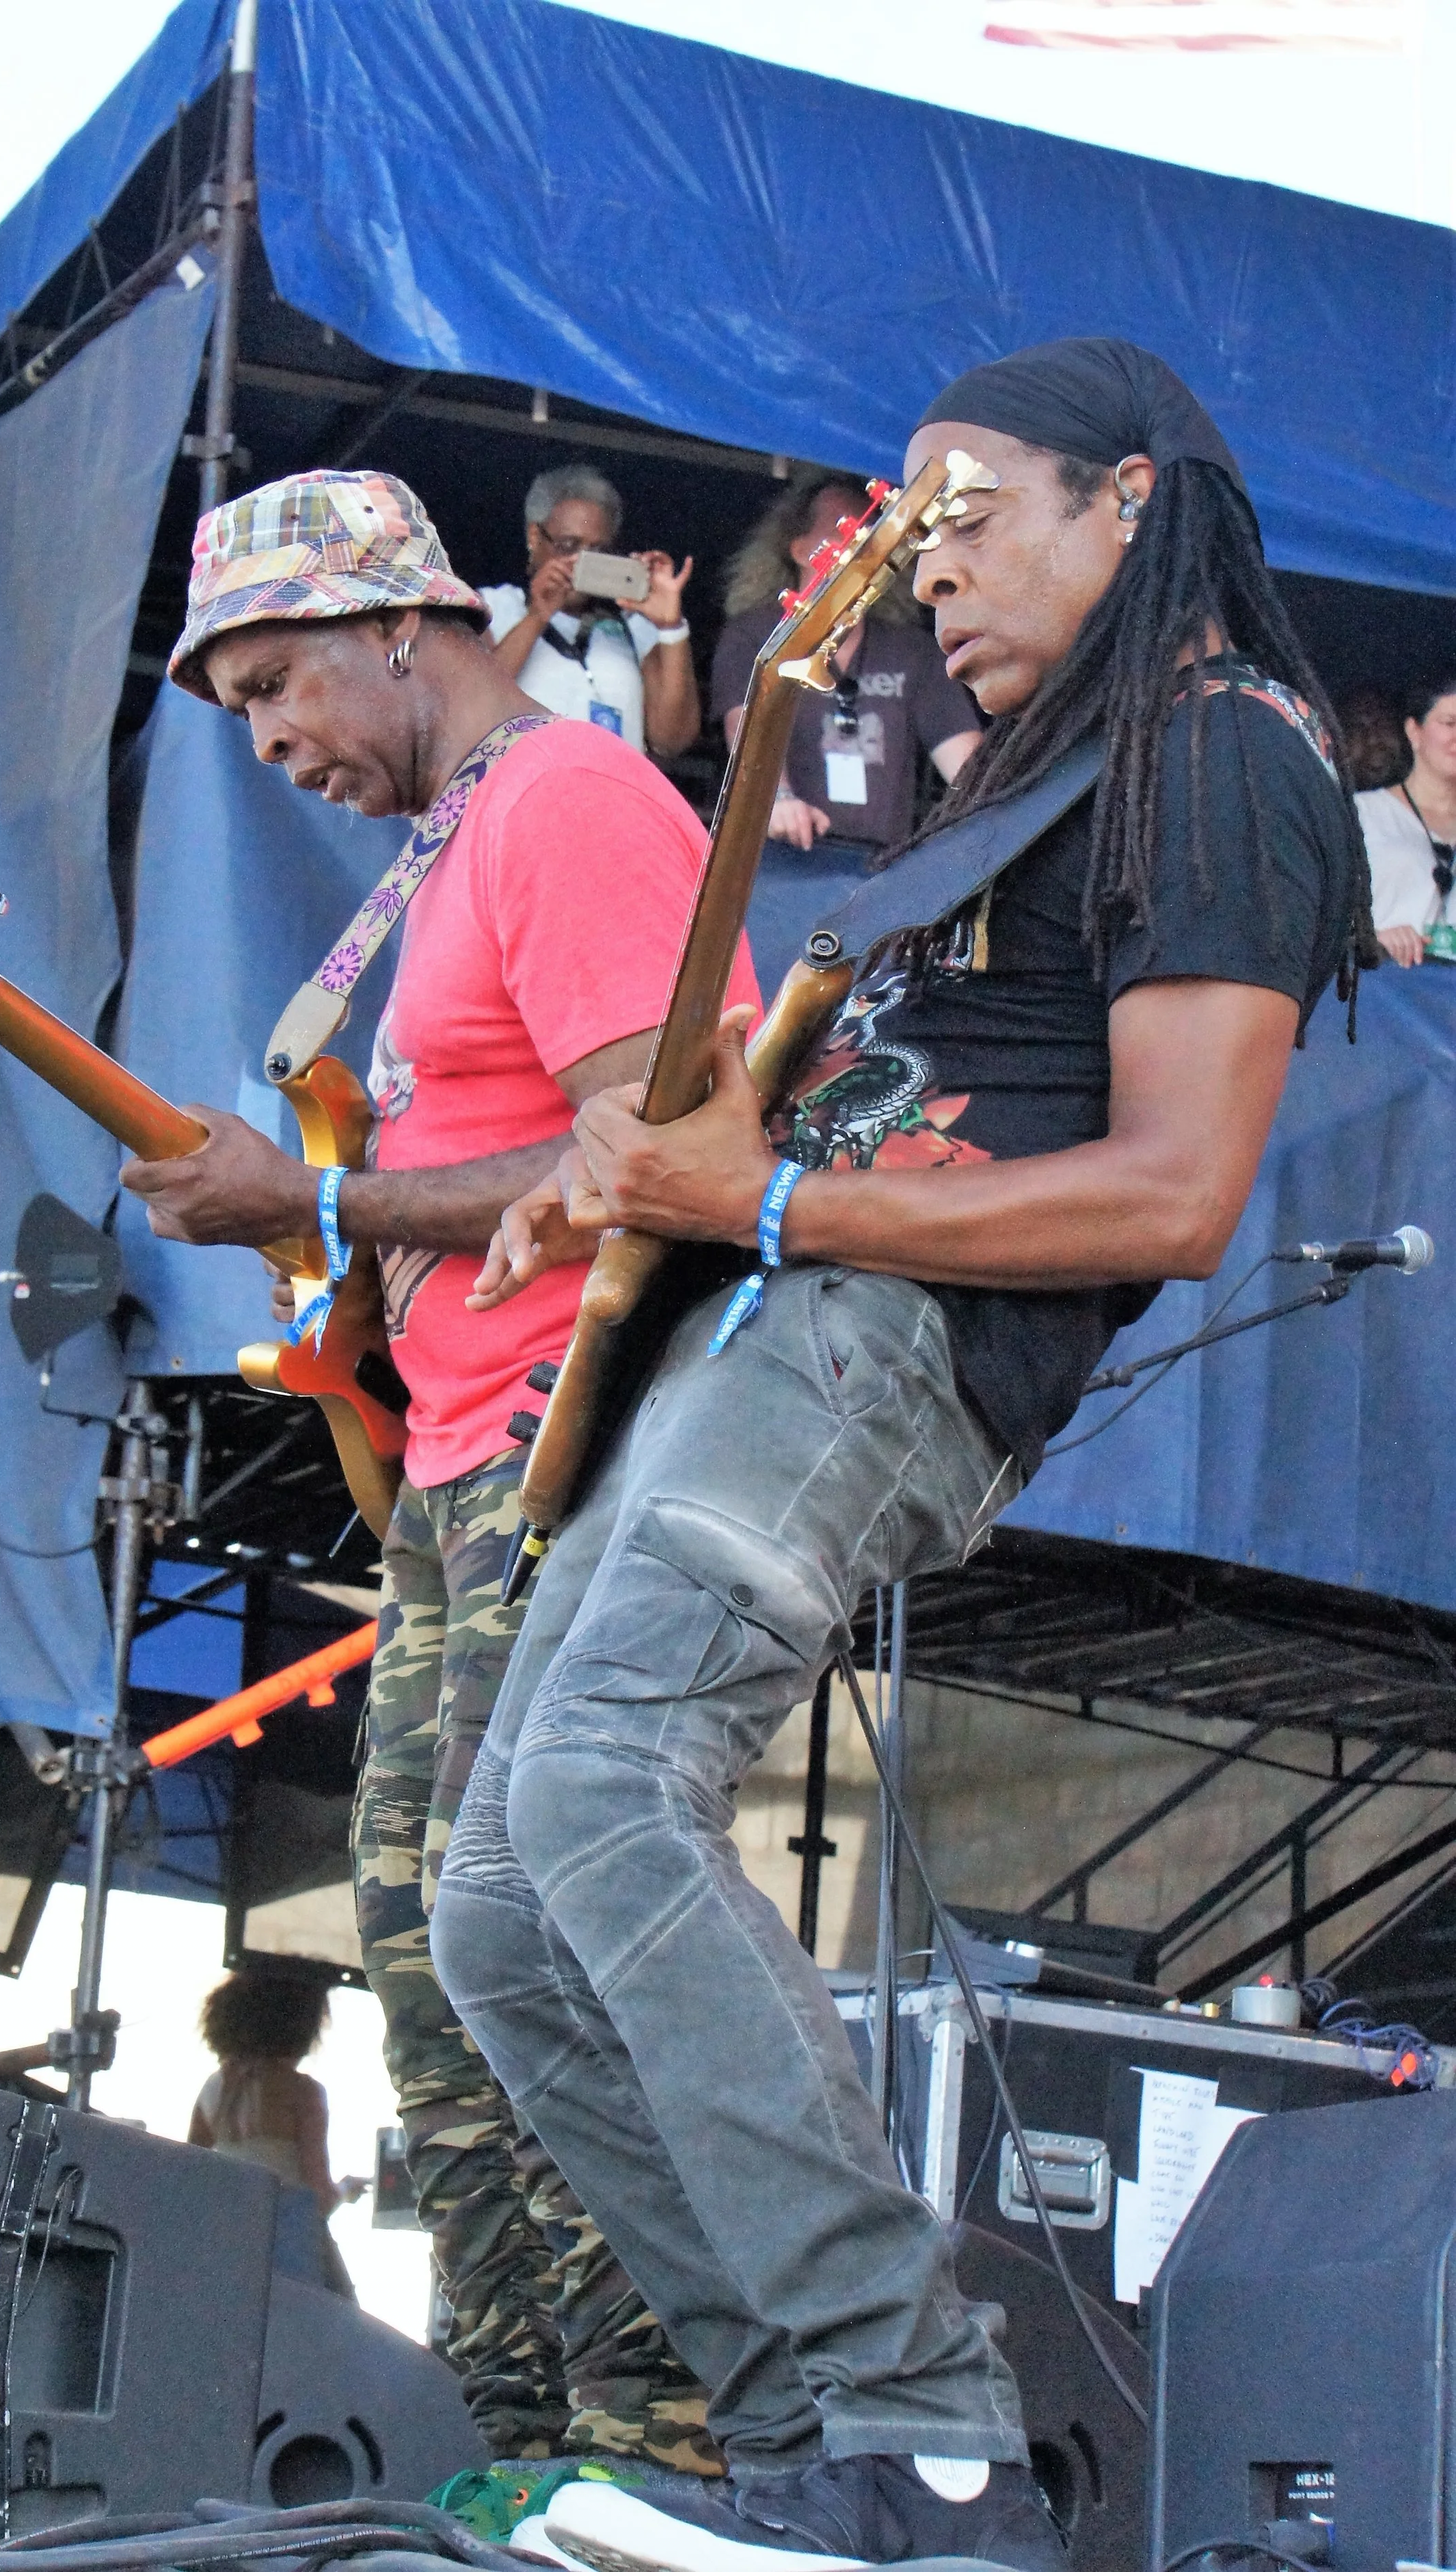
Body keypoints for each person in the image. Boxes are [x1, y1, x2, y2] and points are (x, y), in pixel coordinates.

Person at [427, 339, 1372, 2572]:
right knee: (493, 1912)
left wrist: (759, 1204)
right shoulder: (1020, 798)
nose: (921, 567)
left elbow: (1169, 1194)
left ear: (1122, 497)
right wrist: (642, 1155)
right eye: (901, 524)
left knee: (590, 1792)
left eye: (965, 509)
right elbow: (811, 1108)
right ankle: (816, 2454)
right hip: (752, 1326)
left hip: (878, 1350)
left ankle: (923, 2429)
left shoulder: (1224, 758)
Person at [122, 466, 756, 2471]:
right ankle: (514, 2445)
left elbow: (678, 1149)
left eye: (277, 684)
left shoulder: (564, 803)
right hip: (465, 1474)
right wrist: (356, 1262)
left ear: (402, 624)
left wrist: (322, 1187)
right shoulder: (452, 852)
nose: (271, 740)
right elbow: (481, 1176)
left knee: (527, 1953)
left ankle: (653, 2443)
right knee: (422, 1954)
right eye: (235, 711)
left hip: (579, 1468)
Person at [710, 472, 983, 858]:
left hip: (878, 867)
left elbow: (968, 767)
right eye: (842, 530)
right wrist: (779, 799)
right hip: (780, 861)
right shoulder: (753, 636)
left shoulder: (912, 651)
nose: (857, 542)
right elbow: (745, 730)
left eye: (869, 534)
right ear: (800, 548)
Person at [481, 464, 701, 760]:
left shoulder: (631, 627)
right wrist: (537, 617)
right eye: (568, 545)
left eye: (597, 551)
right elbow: (475, 704)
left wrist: (671, 628)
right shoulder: (498, 607)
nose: (580, 561)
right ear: (534, 537)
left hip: (612, 801)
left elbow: (672, 740)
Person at [189, 1963, 366, 2299]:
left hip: (226, 2249)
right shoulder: (303, 2093)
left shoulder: (212, 2090)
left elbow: (190, 2171)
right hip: (287, 2253)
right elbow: (319, 2200)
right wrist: (346, 2189)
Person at [1358, 673, 1456, 966]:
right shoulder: (1362, 813)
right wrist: (1370, 939)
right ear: (1414, 731)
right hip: (1388, 995)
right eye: (1450, 723)